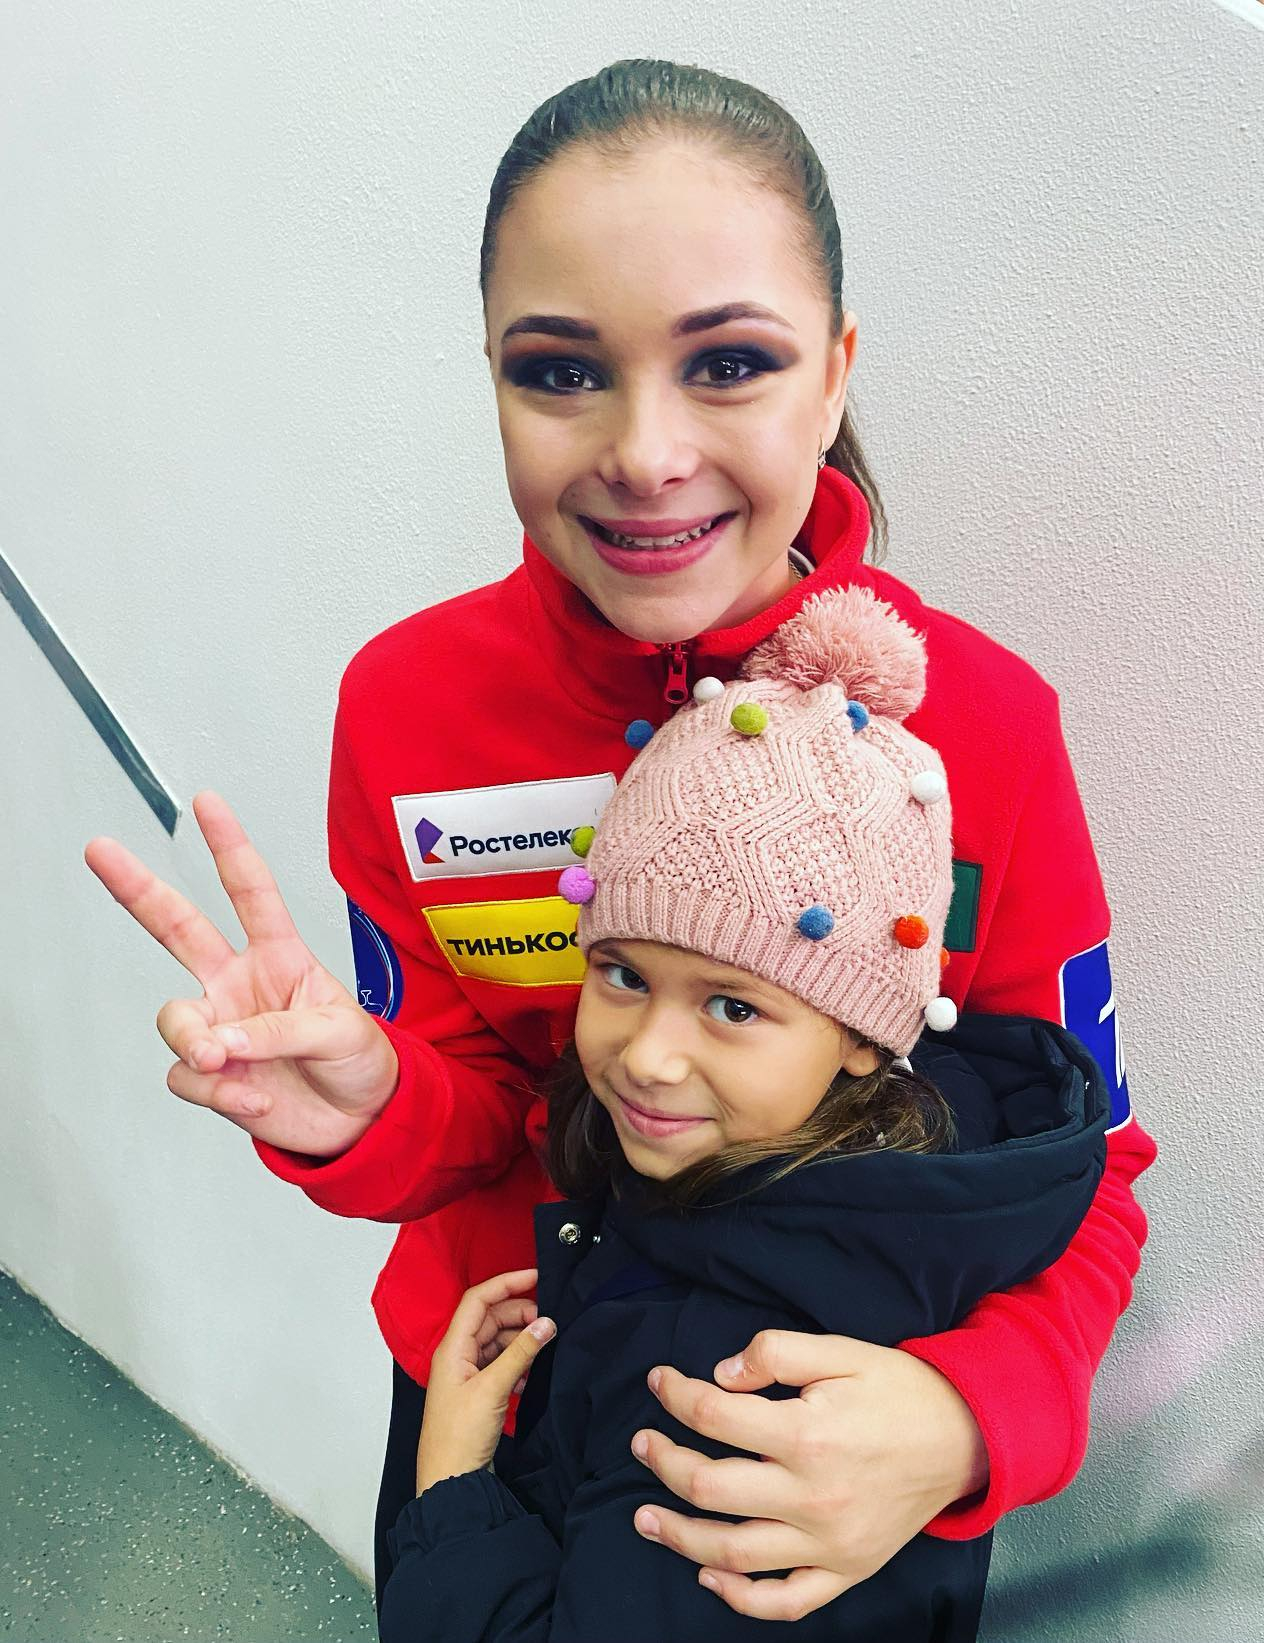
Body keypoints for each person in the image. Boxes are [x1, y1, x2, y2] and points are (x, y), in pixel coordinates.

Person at [84, 59, 1156, 1624]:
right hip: (497, 1403)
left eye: (729, 362)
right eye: (561, 371)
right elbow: (473, 1109)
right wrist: (368, 1109)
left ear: (835, 376)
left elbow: (1087, 1157)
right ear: (493, 378)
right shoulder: (410, 707)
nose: (645, 452)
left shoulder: (983, 730)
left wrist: (970, 1415)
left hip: (819, 1452)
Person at [378, 588, 1113, 1641]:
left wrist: (450, 1493)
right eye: (621, 973)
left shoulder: (720, 1377)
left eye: (733, 1006)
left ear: (862, 1036)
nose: (649, 1055)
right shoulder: (904, 1176)